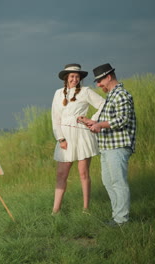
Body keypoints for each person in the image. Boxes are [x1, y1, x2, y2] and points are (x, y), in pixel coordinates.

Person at [78, 63, 137, 226]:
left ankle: (122, 220)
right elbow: (109, 120)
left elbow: (122, 119)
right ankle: (117, 216)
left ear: (108, 77)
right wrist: (92, 122)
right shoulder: (112, 95)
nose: (98, 85)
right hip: (106, 147)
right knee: (108, 182)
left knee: (118, 182)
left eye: (99, 81)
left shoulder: (122, 95)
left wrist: (100, 125)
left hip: (117, 147)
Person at [51, 63, 105, 215]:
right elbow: (55, 117)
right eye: (72, 76)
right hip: (65, 136)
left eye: (77, 76)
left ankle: (86, 209)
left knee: (83, 173)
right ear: (66, 78)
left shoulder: (86, 91)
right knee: (61, 174)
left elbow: (103, 104)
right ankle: (56, 210)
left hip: (81, 134)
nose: (75, 79)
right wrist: (60, 138)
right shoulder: (58, 93)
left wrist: (92, 120)